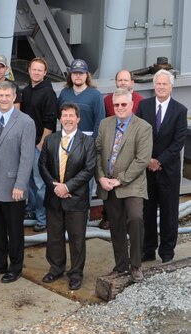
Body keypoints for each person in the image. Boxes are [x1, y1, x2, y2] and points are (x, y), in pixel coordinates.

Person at [0, 81, 35, 284]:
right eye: (0, 95)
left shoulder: (26, 121)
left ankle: (15, 267)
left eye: (7, 95)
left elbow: (27, 157)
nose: (3, 99)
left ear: (14, 97)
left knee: (15, 230)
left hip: (13, 187)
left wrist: (20, 184)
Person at [95, 88, 152, 283]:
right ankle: (121, 265)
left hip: (132, 184)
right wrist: (101, 177)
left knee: (135, 219)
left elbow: (142, 159)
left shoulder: (143, 127)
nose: (119, 108)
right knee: (116, 224)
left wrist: (121, 179)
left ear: (131, 105)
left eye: (123, 104)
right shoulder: (105, 124)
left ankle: (136, 265)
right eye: (116, 104)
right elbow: (97, 153)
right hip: (108, 184)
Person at [38, 103, 96, 290]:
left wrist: (67, 187)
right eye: (64, 115)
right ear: (60, 118)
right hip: (54, 195)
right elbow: (42, 165)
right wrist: (55, 186)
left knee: (77, 238)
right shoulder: (51, 140)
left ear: (78, 119)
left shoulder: (87, 142)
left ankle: (76, 273)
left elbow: (89, 169)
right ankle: (56, 268)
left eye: (71, 115)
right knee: (54, 236)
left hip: (76, 198)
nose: (68, 119)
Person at [138, 70, 187, 263]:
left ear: (171, 87)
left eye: (164, 84)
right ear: (154, 85)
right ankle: (147, 249)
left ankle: (167, 252)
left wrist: (159, 161)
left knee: (169, 213)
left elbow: (178, 142)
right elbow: (138, 135)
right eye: (158, 84)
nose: (160, 87)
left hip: (168, 171)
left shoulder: (180, 110)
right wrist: (148, 159)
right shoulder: (143, 106)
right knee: (147, 211)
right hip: (146, 169)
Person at [100, 69, 144, 230]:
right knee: (110, 187)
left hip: (131, 151)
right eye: (120, 80)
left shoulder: (141, 101)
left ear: (132, 83)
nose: (123, 83)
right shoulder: (107, 100)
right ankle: (109, 217)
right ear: (116, 82)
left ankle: (128, 220)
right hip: (111, 151)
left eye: (126, 80)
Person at [21, 57, 59, 232]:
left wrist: (42, 142)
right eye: (33, 69)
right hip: (26, 143)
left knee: (40, 182)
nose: (36, 72)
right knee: (28, 180)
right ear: (29, 70)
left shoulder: (48, 93)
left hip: (38, 144)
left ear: (44, 73)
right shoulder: (27, 91)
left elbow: (50, 120)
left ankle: (42, 218)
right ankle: (31, 210)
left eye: (39, 70)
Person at [57, 59, 105, 138]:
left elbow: (100, 121)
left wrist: (93, 141)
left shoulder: (95, 95)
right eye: (75, 73)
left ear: (86, 75)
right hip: (67, 137)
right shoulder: (64, 93)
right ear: (71, 75)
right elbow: (59, 114)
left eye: (81, 73)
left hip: (87, 139)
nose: (78, 75)